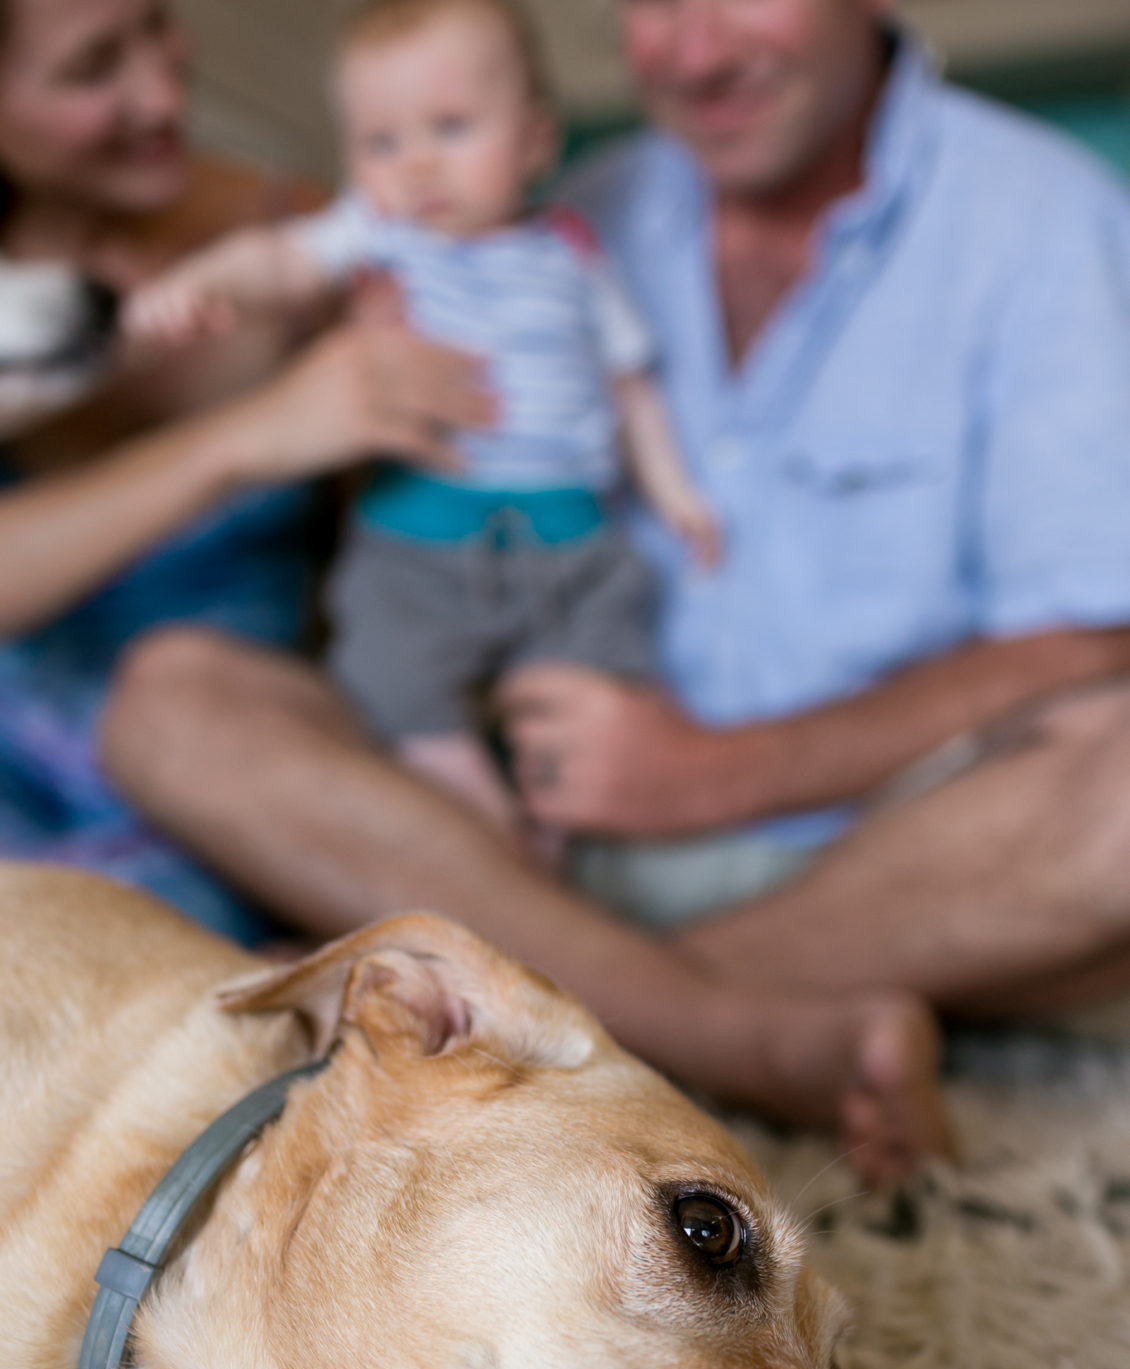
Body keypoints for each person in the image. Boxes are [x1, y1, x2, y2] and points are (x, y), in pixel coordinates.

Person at [115, 0, 1130, 1184]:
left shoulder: (1041, 215)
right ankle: (740, 1031)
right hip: (521, 838)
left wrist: (709, 771)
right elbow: (418, 556)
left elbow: (1087, 642)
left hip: (893, 849)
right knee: (171, 697)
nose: (692, 50)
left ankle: (529, 1008)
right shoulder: (565, 207)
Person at [127, 0, 719, 846]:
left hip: (572, 540)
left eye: (451, 127)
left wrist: (675, 491)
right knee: (385, 667)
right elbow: (283, 260)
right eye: (381, 142)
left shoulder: (572, 254)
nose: (416, 165)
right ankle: (465, 794)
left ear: (536, 140)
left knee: (597, 680)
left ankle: (553, 838)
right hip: (419, 536)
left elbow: (631, 385)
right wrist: (206, 284)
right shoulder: (383, 237)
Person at [0, 0, 499, 943]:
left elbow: (411, 573)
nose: (163, 93)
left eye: (158, 23)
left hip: (228, 761)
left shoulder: (303, 238)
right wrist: (249, 437)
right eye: (92, 67)